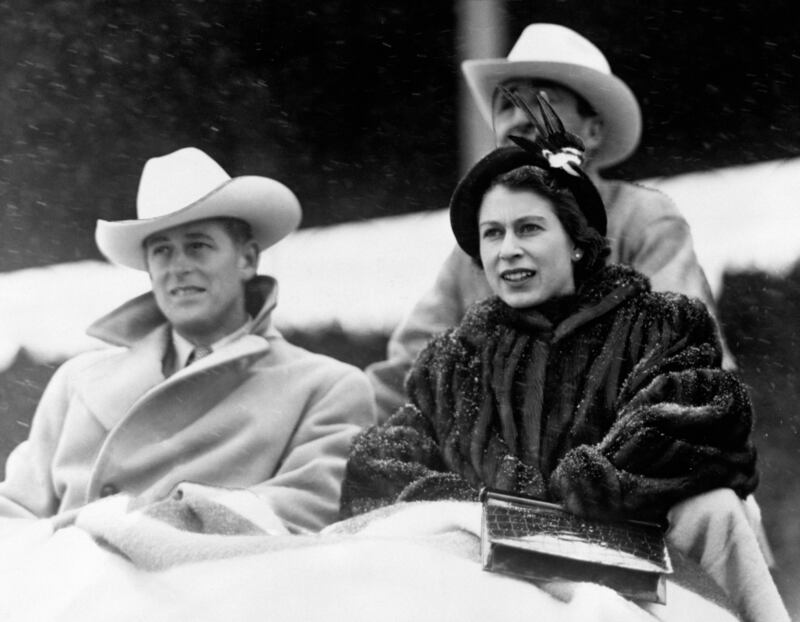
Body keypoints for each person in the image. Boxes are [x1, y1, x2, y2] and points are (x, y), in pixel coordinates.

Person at [341, 96, 788, 622]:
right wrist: (473, 506)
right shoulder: (453, 361)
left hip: (641, 578)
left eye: (529, 229)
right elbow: (380, 467)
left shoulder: (657, 327)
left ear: (577, 242)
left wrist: (575, 490)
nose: (507, 250)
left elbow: (697, 429)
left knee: (713, 508)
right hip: (486, 584)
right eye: (492, 234)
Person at [367, 23, 733, 423]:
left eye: (544, 101)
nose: (518, 120)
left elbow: (684, 355)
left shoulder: (642, 217)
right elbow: (406, 371)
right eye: (507, 106)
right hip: (505, 463)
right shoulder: (476, 247)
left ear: (592, 131)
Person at [0, 147, 375, 533]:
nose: (178, 267)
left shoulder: (325, 388)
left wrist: (142, 527)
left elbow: (305, 511)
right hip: (62, 583)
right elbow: (15, 509)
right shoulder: (77, 380)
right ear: (148, 269)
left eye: (197, 245)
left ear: (247, 259)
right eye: (162, 251)